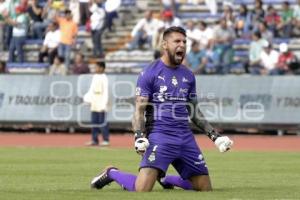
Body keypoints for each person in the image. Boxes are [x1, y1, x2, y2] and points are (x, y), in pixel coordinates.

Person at [90, 26, 233, 192]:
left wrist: (215, 137)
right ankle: (112, 173)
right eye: (177, 41)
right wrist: (139, 137)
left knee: (205, 189)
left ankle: (166, 179)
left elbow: (195, 113)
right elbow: (139, 111)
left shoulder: (188, 75)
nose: (182, 45)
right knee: (142, 189)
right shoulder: (149, 73)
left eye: (184, 42)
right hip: (160, 136)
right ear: (165, 45)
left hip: (185, 138)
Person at [84, 62, 110, 146]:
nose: (96, 69)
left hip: (101, 100)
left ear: (102, 68)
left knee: (102, 122)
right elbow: (91, 89)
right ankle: (94, 140)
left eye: (97, 67)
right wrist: (87, 98)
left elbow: (106, 91)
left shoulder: (104, 78)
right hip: (94, 101)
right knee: (94, 122)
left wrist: (104, 104)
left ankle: (106, 139)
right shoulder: (94, 77)